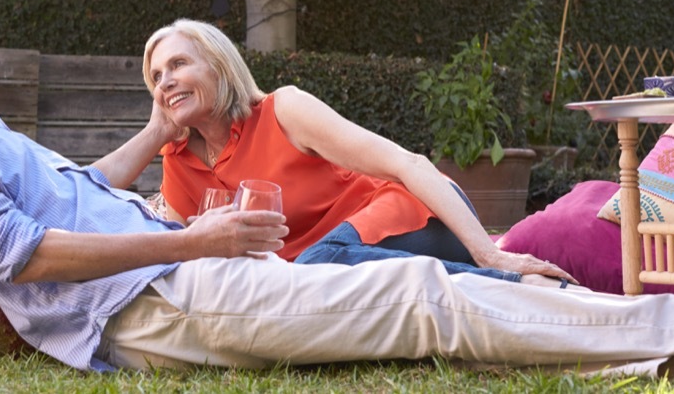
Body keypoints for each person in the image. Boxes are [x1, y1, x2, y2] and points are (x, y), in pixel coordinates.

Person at [0, 0, 674, 383]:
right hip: (154, 299)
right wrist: (190, 240)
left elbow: (79, 190)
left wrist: (161, 160)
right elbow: (22, 255)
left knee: (420, 291)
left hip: (191, 276)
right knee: (421, 302)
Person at [142, 19, 566, 284]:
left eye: (178, 65)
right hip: (323, 271)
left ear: (218, 66)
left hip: (419, 212)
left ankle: (505, 282)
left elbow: (408, 164)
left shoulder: (282, 110)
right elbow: (186, 255)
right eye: (157, 75)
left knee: (319, 259)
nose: (165, 82)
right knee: (311, 268)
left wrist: (490, 253)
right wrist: (154, 133)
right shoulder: (178, 163)